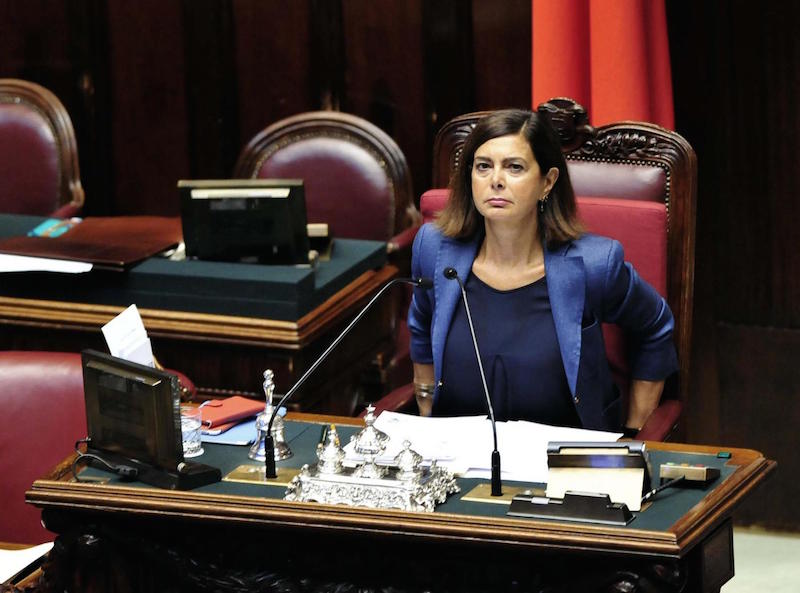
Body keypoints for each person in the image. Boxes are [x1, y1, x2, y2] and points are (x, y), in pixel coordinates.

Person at [407, 109, 677, 434]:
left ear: (547, 182)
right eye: (483, 166)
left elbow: (655, 326)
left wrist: (635, 433)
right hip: (456, 451)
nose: (496, 180)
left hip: (564, 455)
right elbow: (421, 322)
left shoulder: (594, 264)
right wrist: (426, 409)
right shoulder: (434, 248)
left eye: (514, 167)